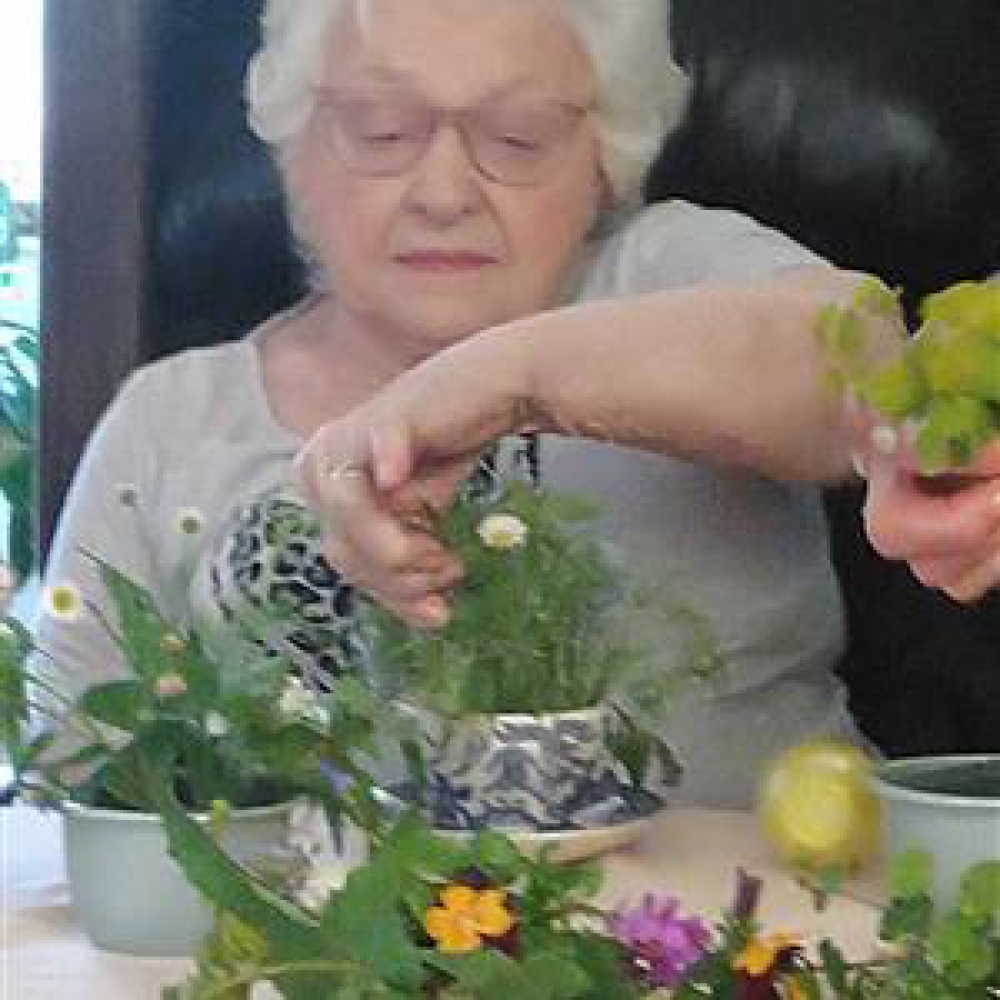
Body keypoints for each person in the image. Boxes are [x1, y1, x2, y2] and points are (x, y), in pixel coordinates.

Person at [36, 0, 996, 809]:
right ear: (294, 147)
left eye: (517, 139)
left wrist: (503, 379)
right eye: (381, 131)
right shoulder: (169, 416)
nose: (444, 191)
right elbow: (65, 789)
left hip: (759, 937)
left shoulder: (672, 270)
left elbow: (857, 364)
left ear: (604, 157)